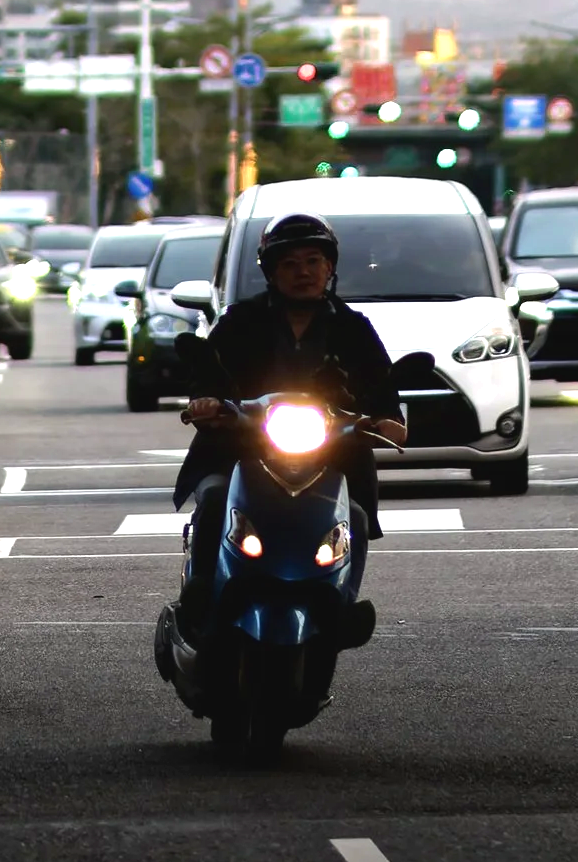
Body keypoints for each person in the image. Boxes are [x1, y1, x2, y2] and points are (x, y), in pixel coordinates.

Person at [171, 211, 404, 639]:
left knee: (351, 512)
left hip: (329, 450)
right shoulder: (241, 320)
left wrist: (388, 419)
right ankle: (201, 592)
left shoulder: (352, 327)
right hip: (242, 445)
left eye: (313, 261)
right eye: (290, 263)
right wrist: (205, 402)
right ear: (271, 271)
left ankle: (341, 603)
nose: (303, 272)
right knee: (217, 494)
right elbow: (208, 373)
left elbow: (380, 387)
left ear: (330, 267)